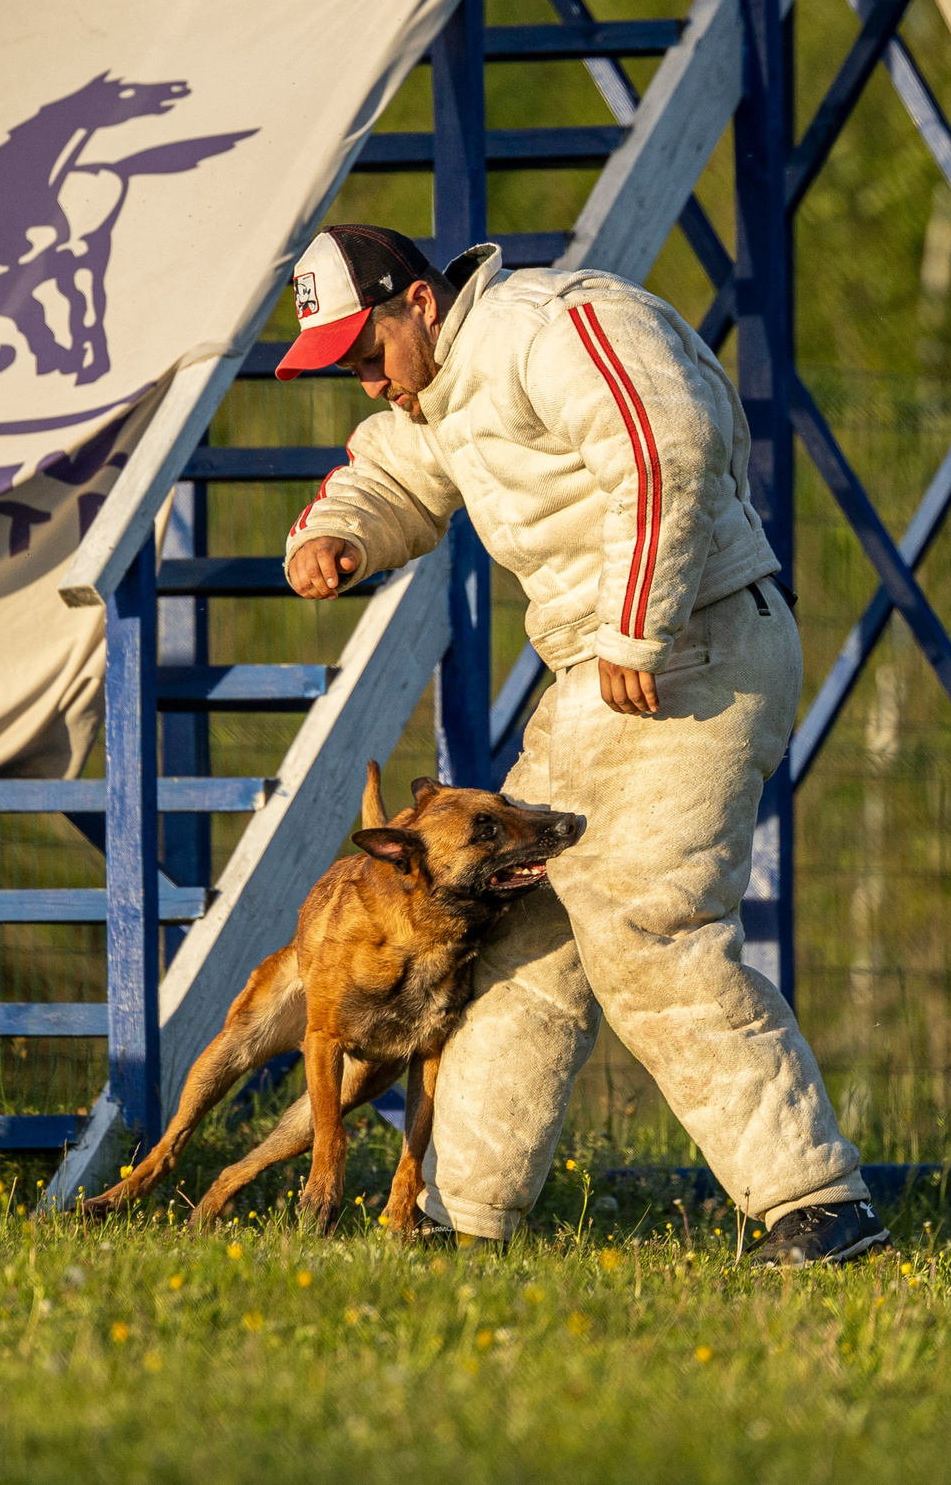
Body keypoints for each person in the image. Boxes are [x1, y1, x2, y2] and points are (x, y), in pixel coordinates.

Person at [273, 223, 885, 1267]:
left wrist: (637, 619)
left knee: (649, 926)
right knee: (514, 932)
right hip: (602, 671)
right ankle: (459, 1219)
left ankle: (814, 1202)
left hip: (693, 642)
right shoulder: (443, 388)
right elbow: (394, 475)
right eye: (345, 370)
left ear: (418, 303)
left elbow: (666, 445)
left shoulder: (551, 324)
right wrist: (334, 536)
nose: (368, 384)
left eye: (366, 354)